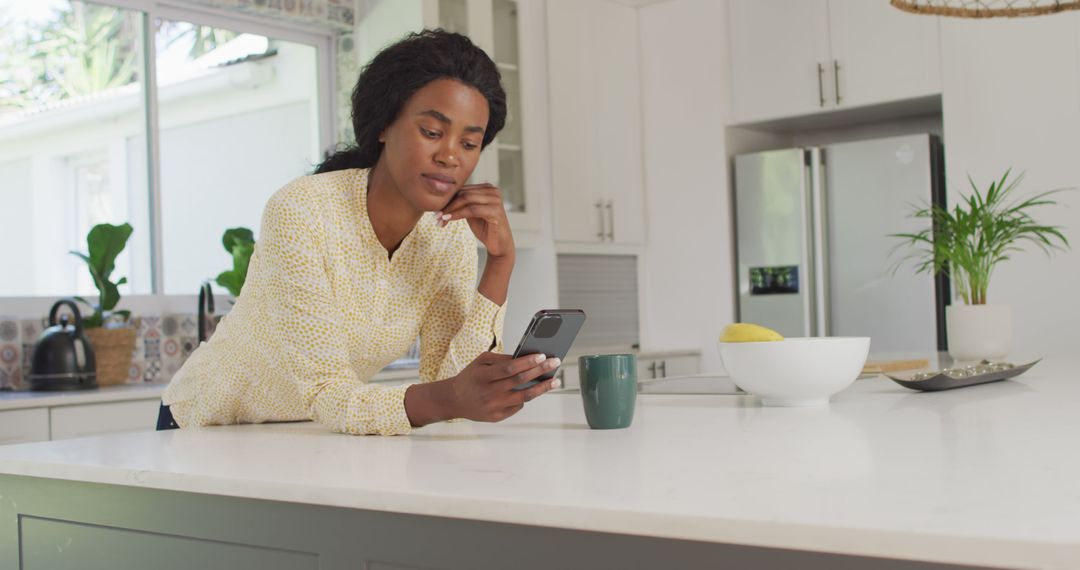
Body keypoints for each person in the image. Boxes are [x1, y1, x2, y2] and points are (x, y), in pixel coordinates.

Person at [159, 30, 561, 435]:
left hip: (303, 435)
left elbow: (452, 389)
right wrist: (451, 396)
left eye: (470, 142)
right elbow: (328, 392)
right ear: (385, 124)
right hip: (204, 427)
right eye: (433, 133)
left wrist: (500, 263)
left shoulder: (447, 234)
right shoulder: (302, 211)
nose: (450, 156)